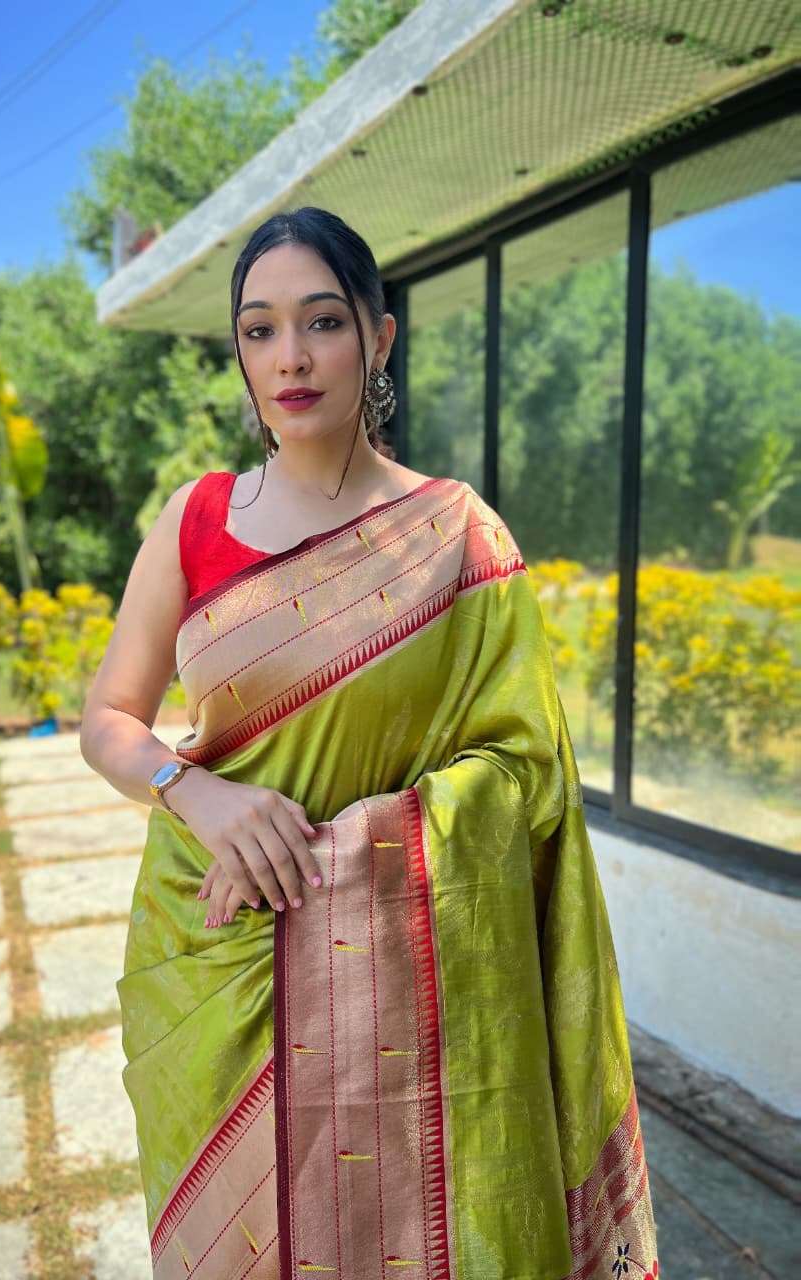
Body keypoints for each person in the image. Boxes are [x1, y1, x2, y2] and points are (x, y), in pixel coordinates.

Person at [79, 206, 661, 1279]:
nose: (290, 358)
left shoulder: (456, 534)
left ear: (378, 337)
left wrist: (345, 851)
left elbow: (523, 771)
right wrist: (194, 790)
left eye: (322, 322)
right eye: (259, 330)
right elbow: (109, 718)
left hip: (418, 992)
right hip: (219, 962)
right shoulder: (195, 519)